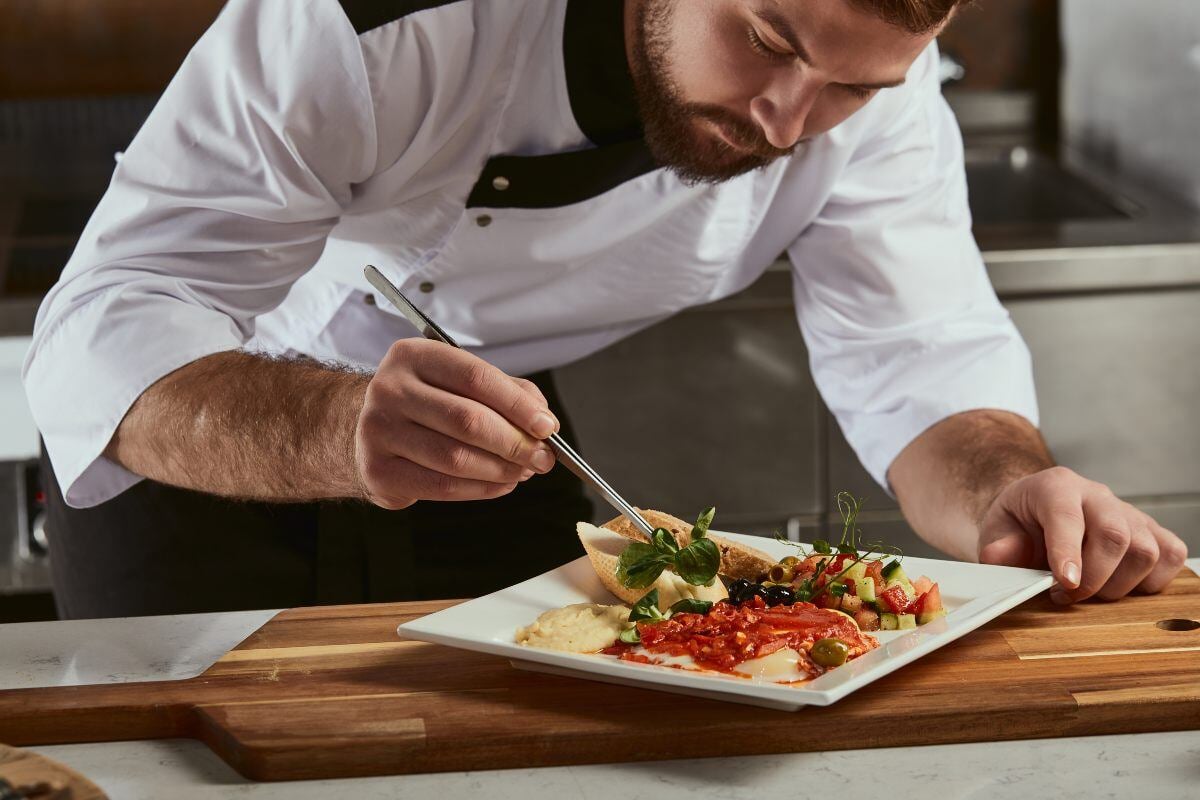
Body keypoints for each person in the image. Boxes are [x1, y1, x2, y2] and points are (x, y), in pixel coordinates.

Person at [24, 0, 1186, 618]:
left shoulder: (871, 101)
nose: (790, 119)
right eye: (765, 40)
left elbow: (917, 357)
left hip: (502, 434)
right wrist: (337, 429)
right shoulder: (371, 22)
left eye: (848, 85)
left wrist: (1006, 491)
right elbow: (108, 324)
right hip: (218, 427)